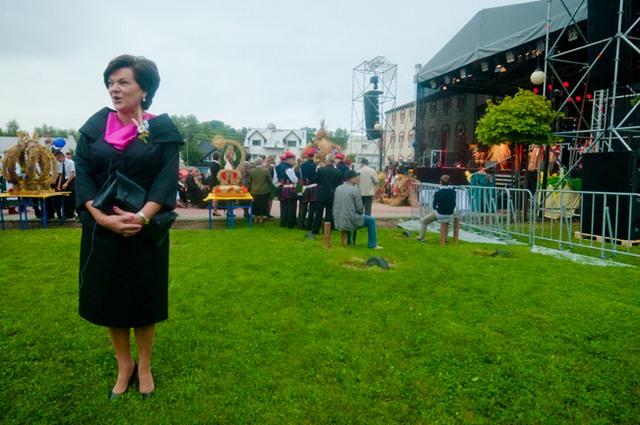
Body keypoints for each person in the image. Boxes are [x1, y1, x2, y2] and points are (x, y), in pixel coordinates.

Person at [74, 54, 183, 400]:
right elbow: (84, 175)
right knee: (110, 299)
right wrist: (102, 218)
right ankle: (125, 365)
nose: (114, 89)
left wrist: (141, 218)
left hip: (144, 233)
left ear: (144, 90)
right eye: (111, 82)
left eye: (123, 82)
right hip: (102, 231)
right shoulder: (94, 128)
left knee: (143, 299)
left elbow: (165, 181)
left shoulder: (161, 132)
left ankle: (145, 366)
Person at [333, 169, 383, 249]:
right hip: (349, 219)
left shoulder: (338, 188)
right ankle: (373, 244)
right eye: (356, 177)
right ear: (352, 179)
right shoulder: (355, 190)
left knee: (348, 214)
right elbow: (359, 209)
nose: (357, 179)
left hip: (338, 219)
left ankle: (349, 240)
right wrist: (358, 213)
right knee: (371, 220)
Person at [417, 174, 457, 242]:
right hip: (450, 213)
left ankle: (421, 237)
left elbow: (434, 205)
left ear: (440, 182)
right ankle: (445, 238)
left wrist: (437, 208)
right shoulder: (453, 192)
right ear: (450, 182)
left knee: (424, 221)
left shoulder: (438, 193)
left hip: (440, 213)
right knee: (446, 222)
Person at [310, 153, 343, 236]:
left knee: (318, 213)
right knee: (329, 214)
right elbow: (340, 184)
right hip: (332, 194)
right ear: (334, 161)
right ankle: (326, 230)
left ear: (326, 160)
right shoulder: (338, 172)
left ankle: (315, 229)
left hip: (321, 194)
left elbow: (315, 180)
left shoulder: (320, 170)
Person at [275, 152, 298, 228]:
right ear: (288, 159)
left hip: (282, 188)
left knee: (283, 206)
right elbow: (294, 180)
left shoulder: (277, 167)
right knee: (291, 206)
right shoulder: (289, 169)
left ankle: (283, 222)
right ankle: (290, 223)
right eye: (292, 159)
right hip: (290, 188)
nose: (293, 161)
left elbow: (275, 181)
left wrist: (280, 185)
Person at [297, 148, 318, 230]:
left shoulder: (302, 166)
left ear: (307, 156)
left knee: (303, 206)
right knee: (312, 207)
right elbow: (317, 176)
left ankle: (301, 224)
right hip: (313, 186)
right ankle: (309, 224)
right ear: (313, 156)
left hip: (305, 187)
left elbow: (301, 177)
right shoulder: (316, 166)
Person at [247, 156, 272, 223]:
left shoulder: (251, 171)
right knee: (263, 205)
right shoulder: (266, 170)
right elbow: (269, 180)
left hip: (254, 190)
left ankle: (255, 218)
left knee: (255, 205)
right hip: (264, 190)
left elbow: (250, 181)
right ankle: (261, 218)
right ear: (262, 162)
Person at [54, 149, 76, 219]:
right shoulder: (61, 164)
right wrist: (59, 185)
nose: (58, 160)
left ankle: (76, 212)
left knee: (73, 198)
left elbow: (72, 174)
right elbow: (61, 174)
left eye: (58, 159)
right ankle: (68, 213)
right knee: (66, 198)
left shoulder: (70, 162)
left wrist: (67, 183)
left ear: (60, 156)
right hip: (64, 181)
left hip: (70, 181)